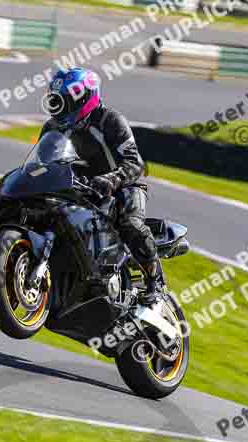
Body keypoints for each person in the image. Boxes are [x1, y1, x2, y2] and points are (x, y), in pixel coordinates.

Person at [38, 67, 162, 304]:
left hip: (123, 186)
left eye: (64, 100)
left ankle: (155, 282)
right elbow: (43, 163)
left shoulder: (110, 120)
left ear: (83, 97)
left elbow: (135, 163)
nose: (59, 106)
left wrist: (112, 179)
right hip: (79, 188)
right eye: (56, 100)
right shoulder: (52, 128)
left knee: (130, 223)